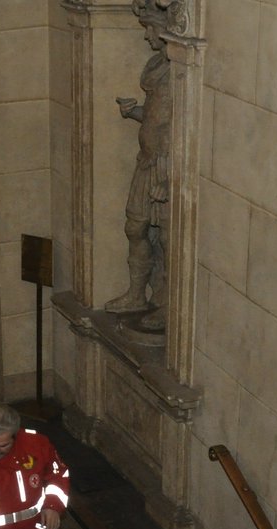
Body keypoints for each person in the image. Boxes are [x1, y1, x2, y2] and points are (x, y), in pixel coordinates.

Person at [104, 3, 172, 332]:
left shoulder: (183, 70)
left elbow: (184, 125)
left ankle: (166, 301)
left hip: (166, 166)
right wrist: (134, 113)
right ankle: (136, 294)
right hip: (146, 161)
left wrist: (171, 176)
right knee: (135, 228)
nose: (146, 35)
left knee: (169, 239)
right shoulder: (160, 64)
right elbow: (157, 116)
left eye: (150, 28)